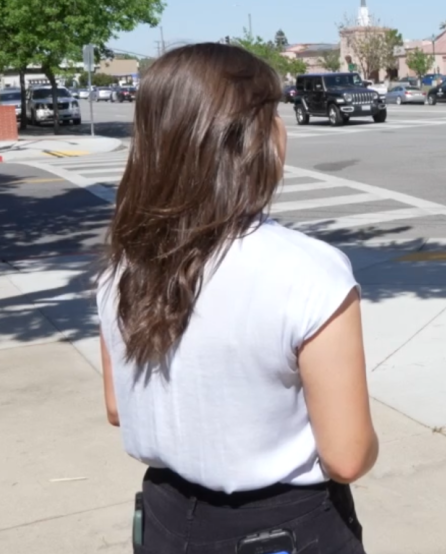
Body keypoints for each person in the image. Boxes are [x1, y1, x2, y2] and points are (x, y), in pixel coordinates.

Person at [97, 43, 378, 554]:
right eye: (274, 115)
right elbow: (348, 455)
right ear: (252, 140)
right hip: (283, 527)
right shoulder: (308, 270)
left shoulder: (123, 265)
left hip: (163, 517)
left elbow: (118, 406)